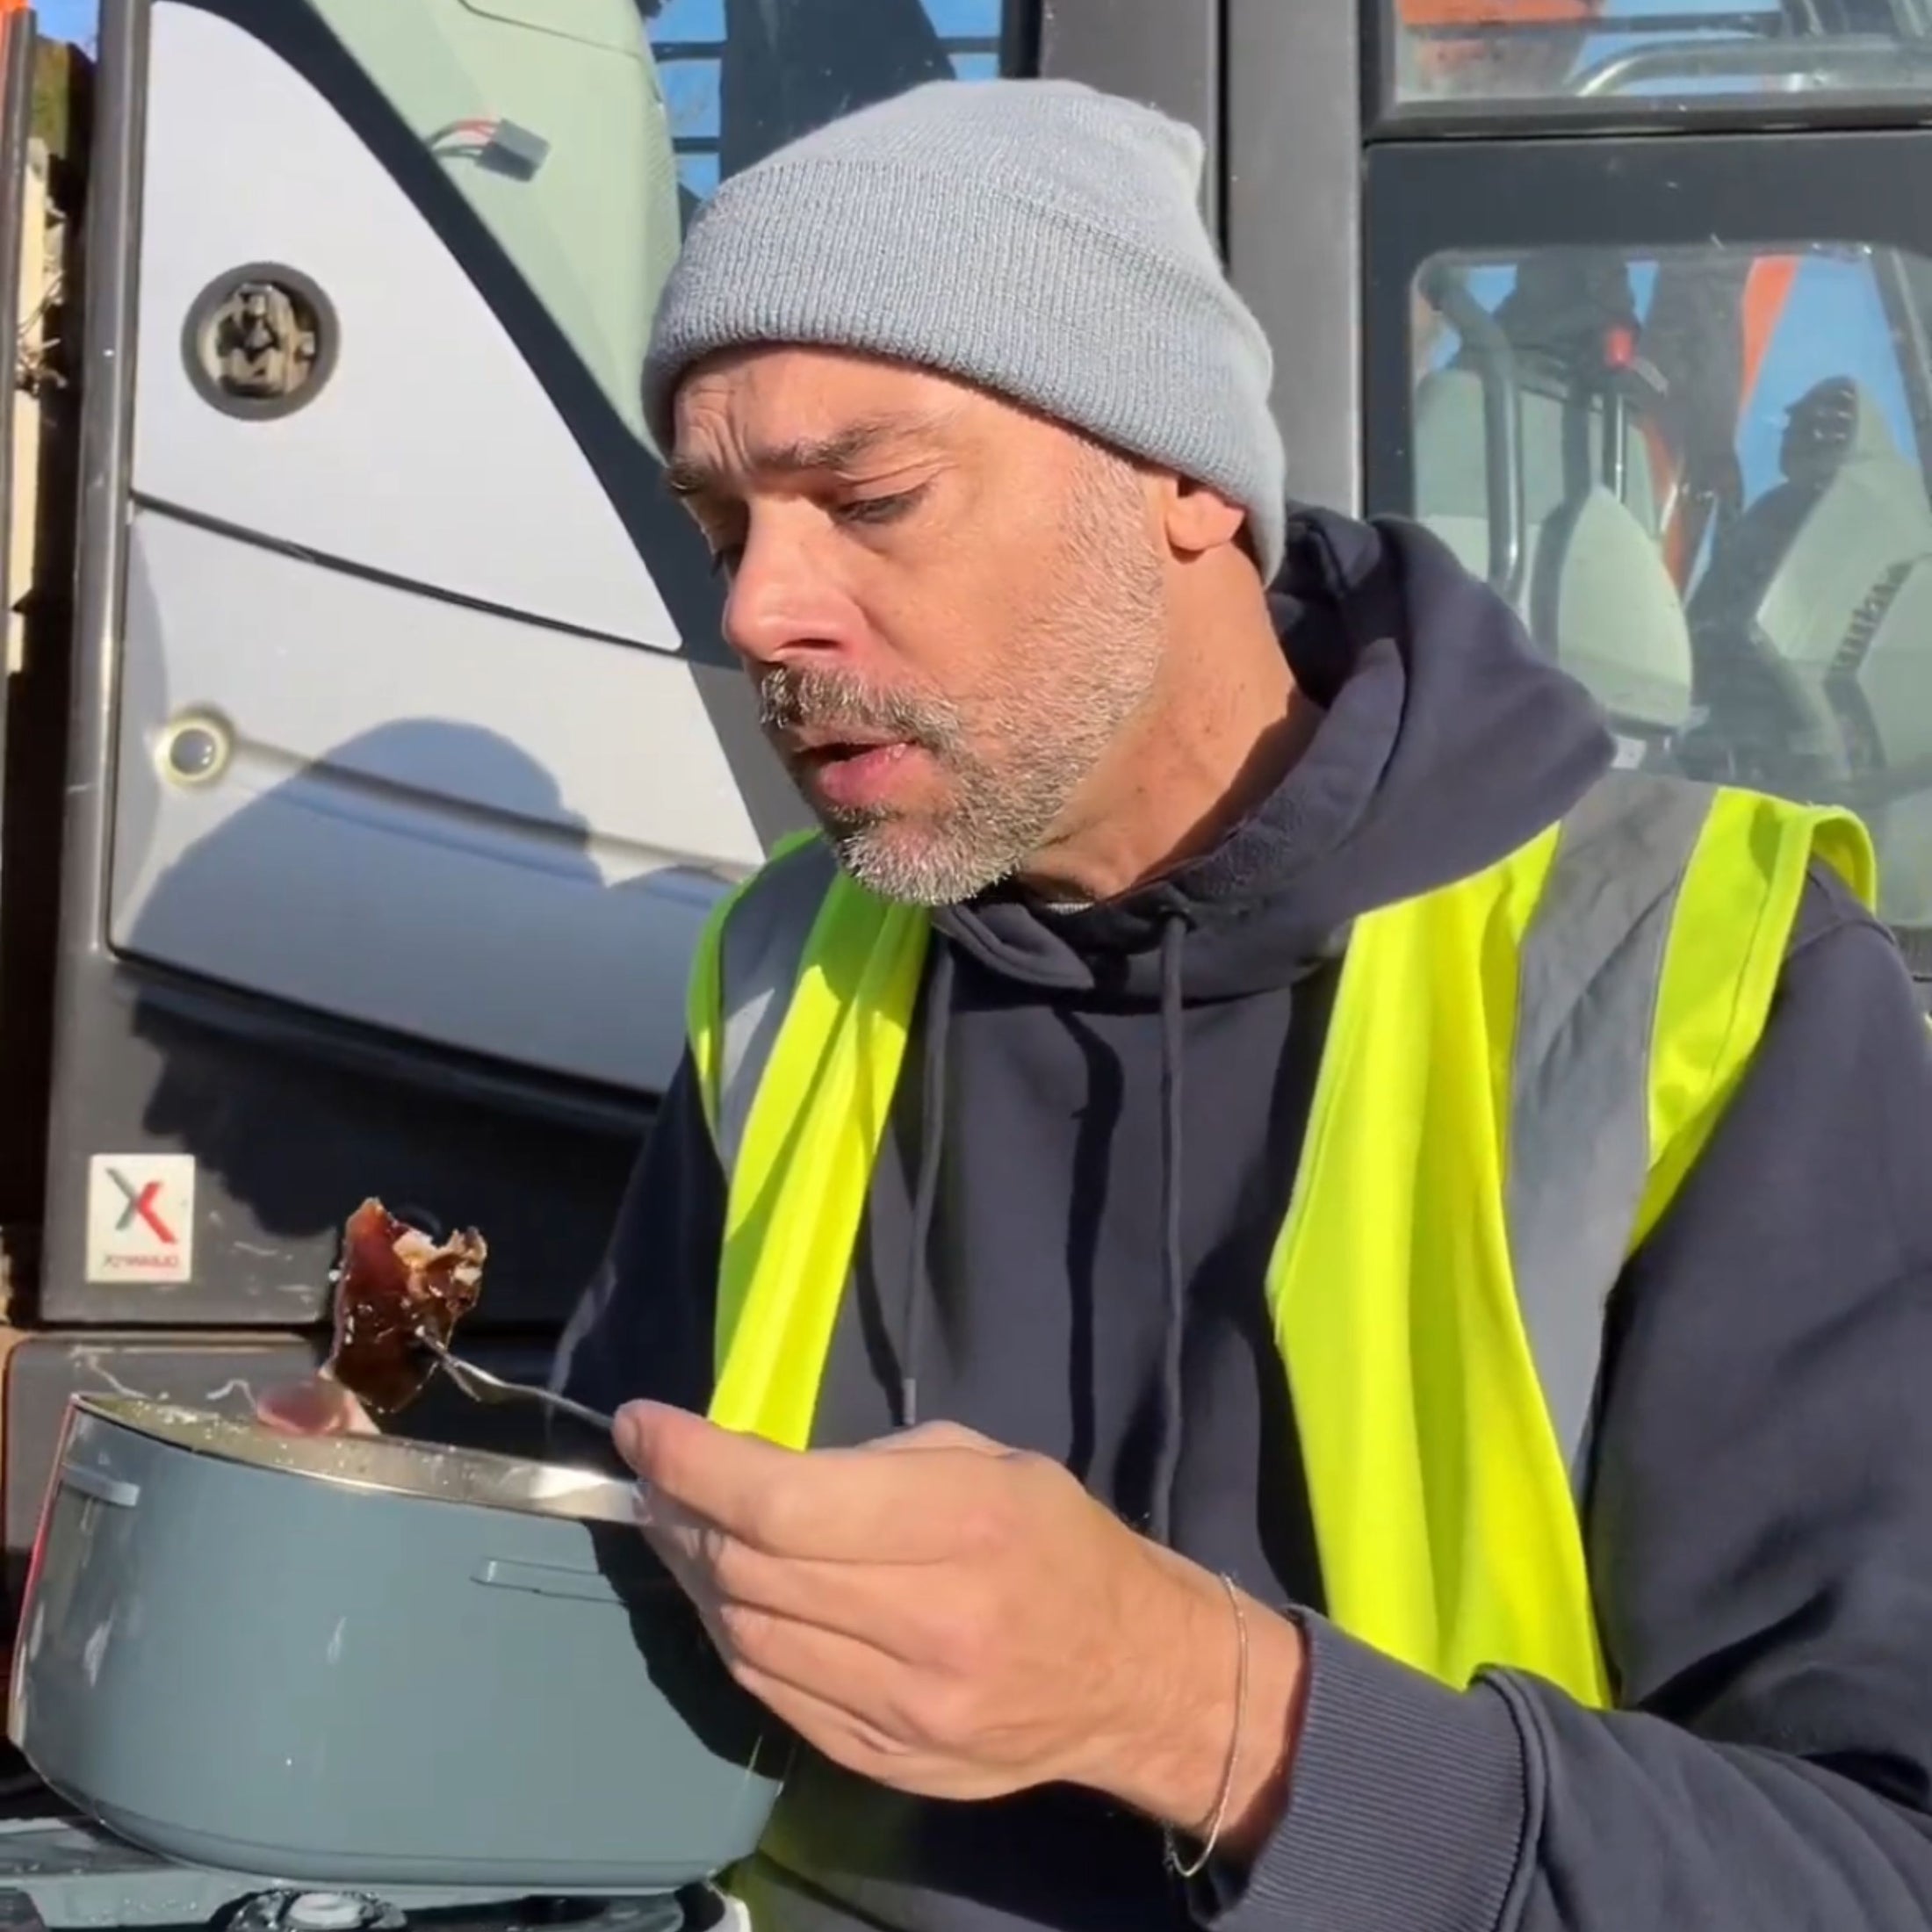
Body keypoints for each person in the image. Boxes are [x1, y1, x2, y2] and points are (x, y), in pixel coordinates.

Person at [270, 79, 1932, 1932]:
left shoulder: (1705, 979)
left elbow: (1869, 1862)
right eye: (722, 521)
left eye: (867, 496)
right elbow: (617, 1591)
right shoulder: (786, 968)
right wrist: (402, 1528)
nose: (758, 609)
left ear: (1185, 478)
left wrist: (1196, 1705)